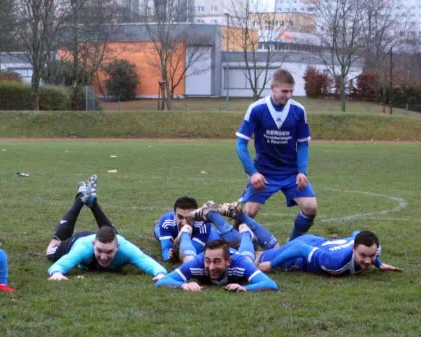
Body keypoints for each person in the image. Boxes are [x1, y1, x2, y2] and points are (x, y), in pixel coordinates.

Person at [235, 68, 317, 242]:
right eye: (284, 91)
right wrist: (253, 173)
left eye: (291, 91)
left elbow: (303, 144)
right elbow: (241, 144)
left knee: (311, 208)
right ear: (273, 88)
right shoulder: (257, 109)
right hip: (263, 172)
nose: (288, 95)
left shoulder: (298, 110)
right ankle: (233, 242)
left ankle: (292, 243)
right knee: (249, 212)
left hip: (291, 173)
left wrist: (302, 171)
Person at [47, 175, 167, 281]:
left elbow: (148, 262)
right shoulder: (83, 248)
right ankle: (80, 198)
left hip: (106, 237)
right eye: (99, 251)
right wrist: (57, 273)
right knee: (51, 249)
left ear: (117, 247)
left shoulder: (125, 248)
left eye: (109, 252)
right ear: (94, 245)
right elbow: (58, 266)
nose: (104, 257)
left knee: (113, 234)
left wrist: (160, 274)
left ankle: (92, 202)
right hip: (79, 240)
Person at [155, 224, 278, 292]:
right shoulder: (197, 262)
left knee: (247, 257)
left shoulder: (239, 263)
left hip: (240, 256)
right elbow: (162, 281)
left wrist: (245, 288)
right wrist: (182, 285)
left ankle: (246, 233)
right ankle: (185, 233)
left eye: (217, 262)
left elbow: (270, 284)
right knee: (188, 258)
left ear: (228, 261)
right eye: (208, 261)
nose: (211, 267)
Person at [256, 230, 402, 276]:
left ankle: (245, 228)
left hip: (317, 242)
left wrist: (379, 263)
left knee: (274, 247)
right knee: (252, 259)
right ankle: (243, 227)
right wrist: (272, 264)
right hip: (300, 254)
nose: (368, 261)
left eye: (372, 255)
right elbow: (300, 249)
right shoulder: (336, 263)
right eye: (362, 255)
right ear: (353, 248)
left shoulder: (374, 247)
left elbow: (358, 232)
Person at [153, 196, 220, 263]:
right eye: (180, 217)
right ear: (174, 214)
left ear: (196, 215)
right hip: (173, 230)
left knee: (216, 242)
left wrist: (177, 255)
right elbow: (166, 250)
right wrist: (169, 257)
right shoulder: (166, 221)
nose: (184, 223)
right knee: (160, 233)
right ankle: (157, 227)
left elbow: (193, 252)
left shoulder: (203, 224)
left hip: (203, 235)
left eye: (189, 218)